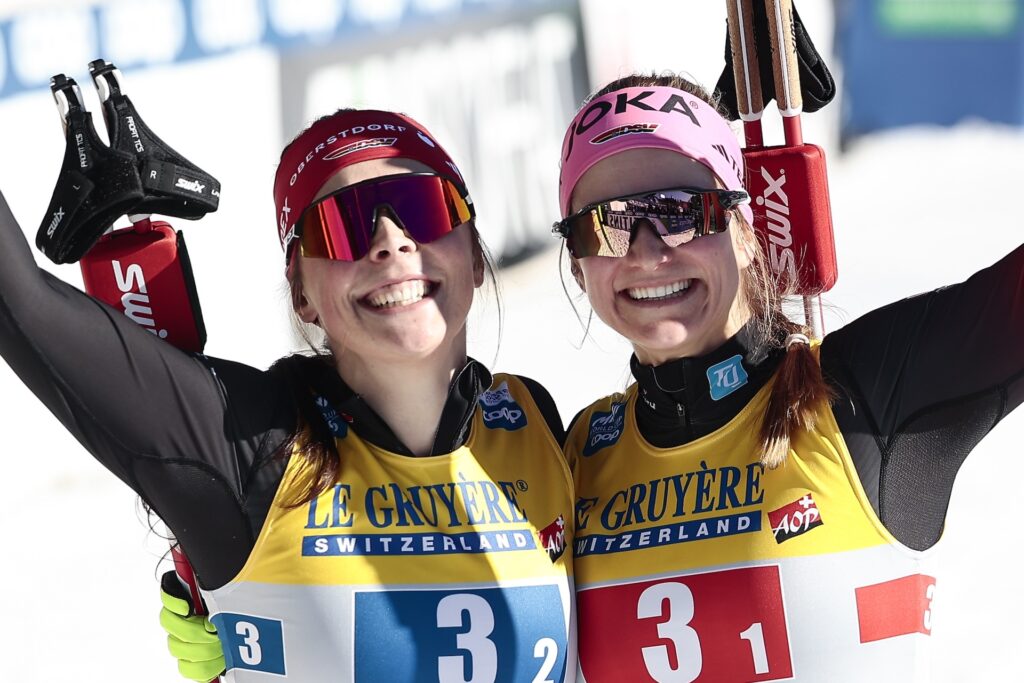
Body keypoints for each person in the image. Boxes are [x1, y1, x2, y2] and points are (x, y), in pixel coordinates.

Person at [0, 108, 576, 682]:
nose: (392, 242)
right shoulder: (245, 441)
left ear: (475, 255)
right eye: (343, 223)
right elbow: (19, 304)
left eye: (424, 208)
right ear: (301, 293)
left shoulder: (534, 420)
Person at [554, 74, 1023, 682]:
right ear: (576, 261)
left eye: (679, 212)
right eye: (606, 224)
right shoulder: (577, 457)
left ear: (745, 230)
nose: (646, 253)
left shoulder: (861, 395)